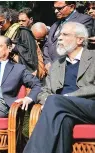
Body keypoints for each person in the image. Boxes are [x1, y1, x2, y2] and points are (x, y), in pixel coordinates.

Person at [23, 22, 95, 153]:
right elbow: (44, 91)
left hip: (90, 108)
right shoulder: (57, 64)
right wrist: (47, 101)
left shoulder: (93, 58)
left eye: (65, 34)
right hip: (62, 109)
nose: (59, 38)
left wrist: (63, 99)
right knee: (63, 121)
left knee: (55, 101)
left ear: (80, 40)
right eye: (60, 34)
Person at [43, 1, 93, 72]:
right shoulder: (55, 24)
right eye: (54, 8)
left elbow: (78, 46)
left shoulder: (83, 20)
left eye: (59, 8)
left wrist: (58, 64)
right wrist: (47, 62)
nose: (56, 11)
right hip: (51, 70)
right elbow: (47, 45)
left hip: (69, 69)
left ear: (72, 7)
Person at [0, 5, 38, 74]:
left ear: (9, 18)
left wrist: (13, 47)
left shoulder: (22, 31)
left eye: (1, 23)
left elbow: (30, 57)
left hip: (19, 73)